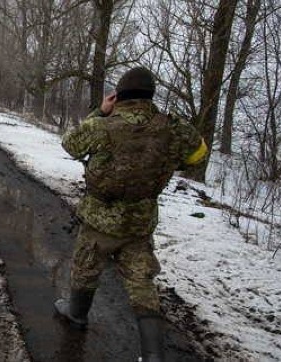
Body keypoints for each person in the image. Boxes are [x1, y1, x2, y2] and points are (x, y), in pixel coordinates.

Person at [55, 67, 208, 362]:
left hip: (100, 220)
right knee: (142, 282)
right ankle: (153, 355)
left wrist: (100, 112)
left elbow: (70, 144)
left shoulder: (103, 126)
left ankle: (76, 314)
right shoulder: (173, 128)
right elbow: (197, 156)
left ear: (119, 96)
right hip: (139, 223)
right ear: (150, 96)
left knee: (86, 267)